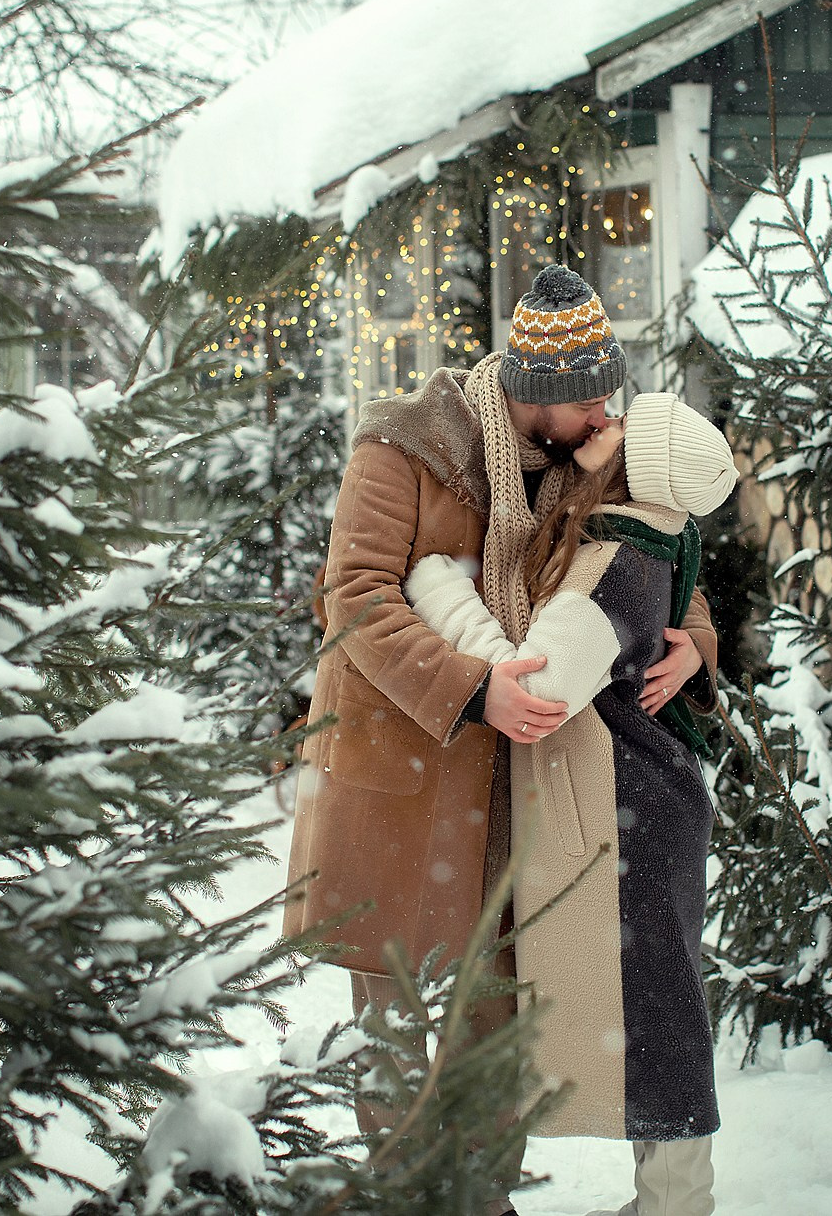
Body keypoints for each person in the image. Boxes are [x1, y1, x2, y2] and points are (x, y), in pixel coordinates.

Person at [281, 265, 719, 1216]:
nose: (606, 408)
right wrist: (475, 687)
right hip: (402, 775)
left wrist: (697, 644)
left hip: (509, 789)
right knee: (394, 1019)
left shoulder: (577, 463)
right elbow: (355, 598)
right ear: (541, 393)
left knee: (489, 1020)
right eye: (590, 393)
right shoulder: (408, 444)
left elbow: (646, 556)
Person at [404, 391, 737, 1216]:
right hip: (648, 799)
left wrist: (444, 593)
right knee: (665, 1000)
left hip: (635, 809)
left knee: (660, 1013)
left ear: (638, 466)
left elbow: (543, 684)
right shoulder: (649, 531)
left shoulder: (615, 555)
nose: (601, 421)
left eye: (622, 425)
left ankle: (675, 1205)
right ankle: (669, 1200)